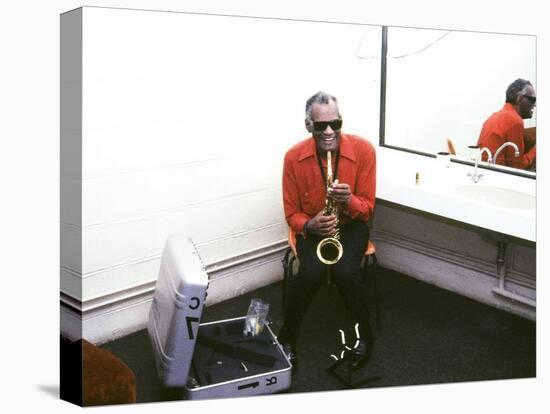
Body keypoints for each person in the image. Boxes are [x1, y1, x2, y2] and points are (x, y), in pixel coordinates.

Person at [279, 91, 376, 369]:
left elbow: (367, 209)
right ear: (309, 125)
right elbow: (291, 212)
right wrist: (309, 225)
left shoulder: (364, 150)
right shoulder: (293, 157)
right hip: (315, 227)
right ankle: (288, 338)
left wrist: (349, 201)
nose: (330, 131)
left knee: (347, 272)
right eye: (321, 126)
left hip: (350, 224)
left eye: (336, 123)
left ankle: (365, 336)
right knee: (310, 273)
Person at [477, 79, 536, 169]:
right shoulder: (515, 121)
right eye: (532, 100)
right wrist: (535, 151)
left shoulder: (493, 116)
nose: (534, 104)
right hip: (501, 178)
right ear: (519, 98)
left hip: (487, 172)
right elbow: (517, 166)